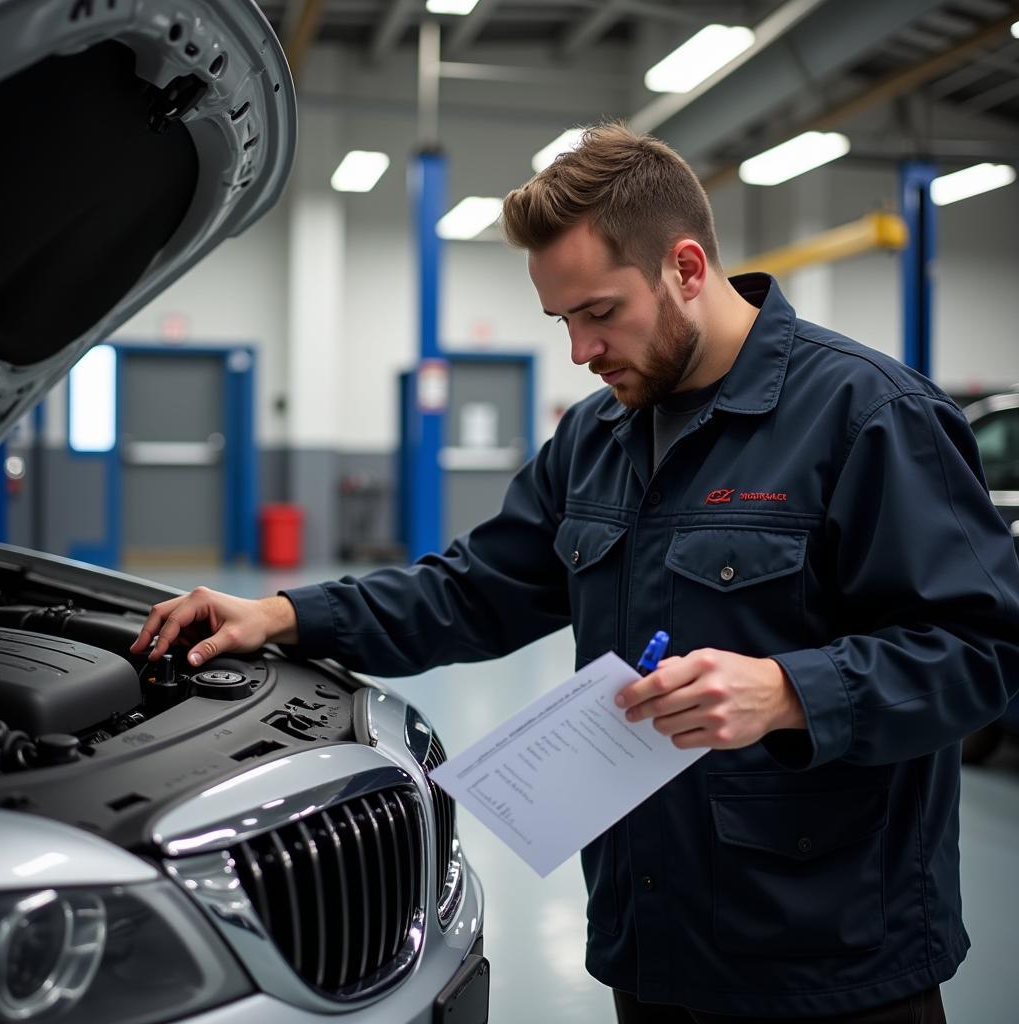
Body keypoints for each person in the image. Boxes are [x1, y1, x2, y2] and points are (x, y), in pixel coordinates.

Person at [131, 122, 1019, 1023]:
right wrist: (281, 614)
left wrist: (791, 691)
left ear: (685, 267)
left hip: (827, 961)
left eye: (599, 312)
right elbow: (472, 590)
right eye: (563, 321)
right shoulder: (597, 439)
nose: (580, 351)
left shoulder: (868, 415)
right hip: (649, 933)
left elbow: (981, 651)